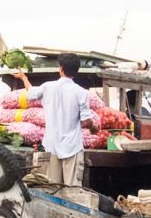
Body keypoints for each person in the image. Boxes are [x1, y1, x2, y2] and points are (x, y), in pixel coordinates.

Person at [14, 53, 98, 187]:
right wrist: (94, 129)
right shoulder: (81, 92)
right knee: (73, 189)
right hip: (72, 148)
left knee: (53, 188)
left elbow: (31, 92)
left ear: (61, 68)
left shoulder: (48, 87)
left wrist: (24, 78)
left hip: (51, 145)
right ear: (76, 70)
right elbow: (86, 122)